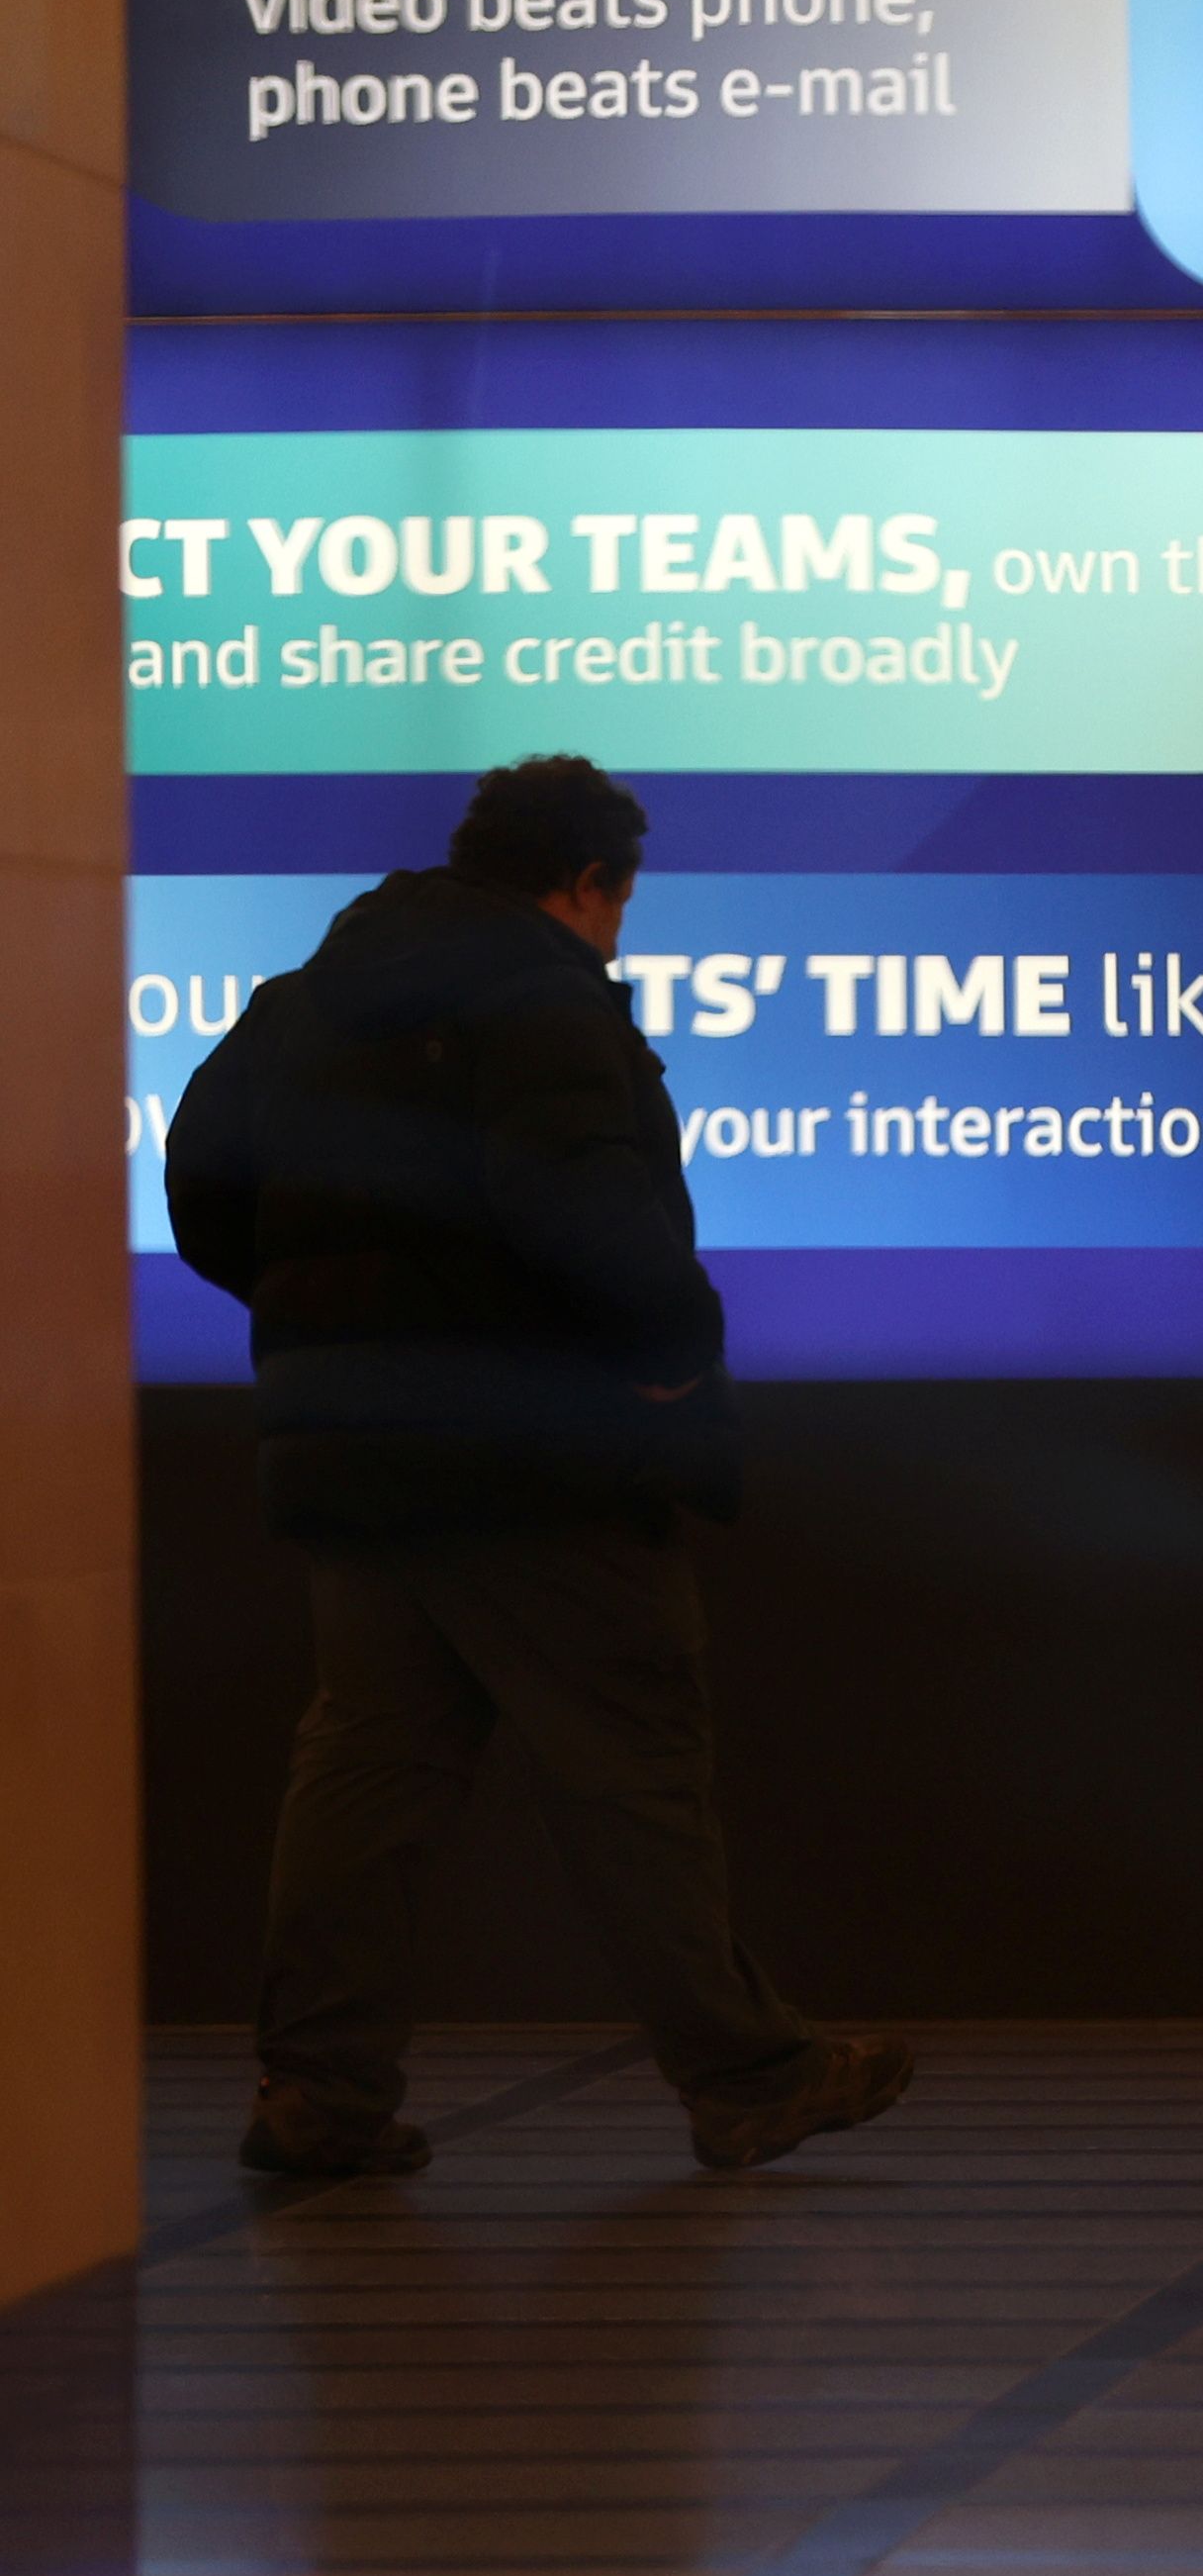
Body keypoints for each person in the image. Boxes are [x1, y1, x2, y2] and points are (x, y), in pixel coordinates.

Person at [166, 755, 911, 2181]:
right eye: (619, 903)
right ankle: (749, 2072)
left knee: (369, 1773)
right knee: (633, 1759)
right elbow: (580, 1201)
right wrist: (676, 1346)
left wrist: (334, 1311)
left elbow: (200, 1180)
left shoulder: (306, 997)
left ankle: (318, 2089)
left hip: (348, 1443)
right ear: (589, 881)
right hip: (526, 1452)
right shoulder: (543, 997)